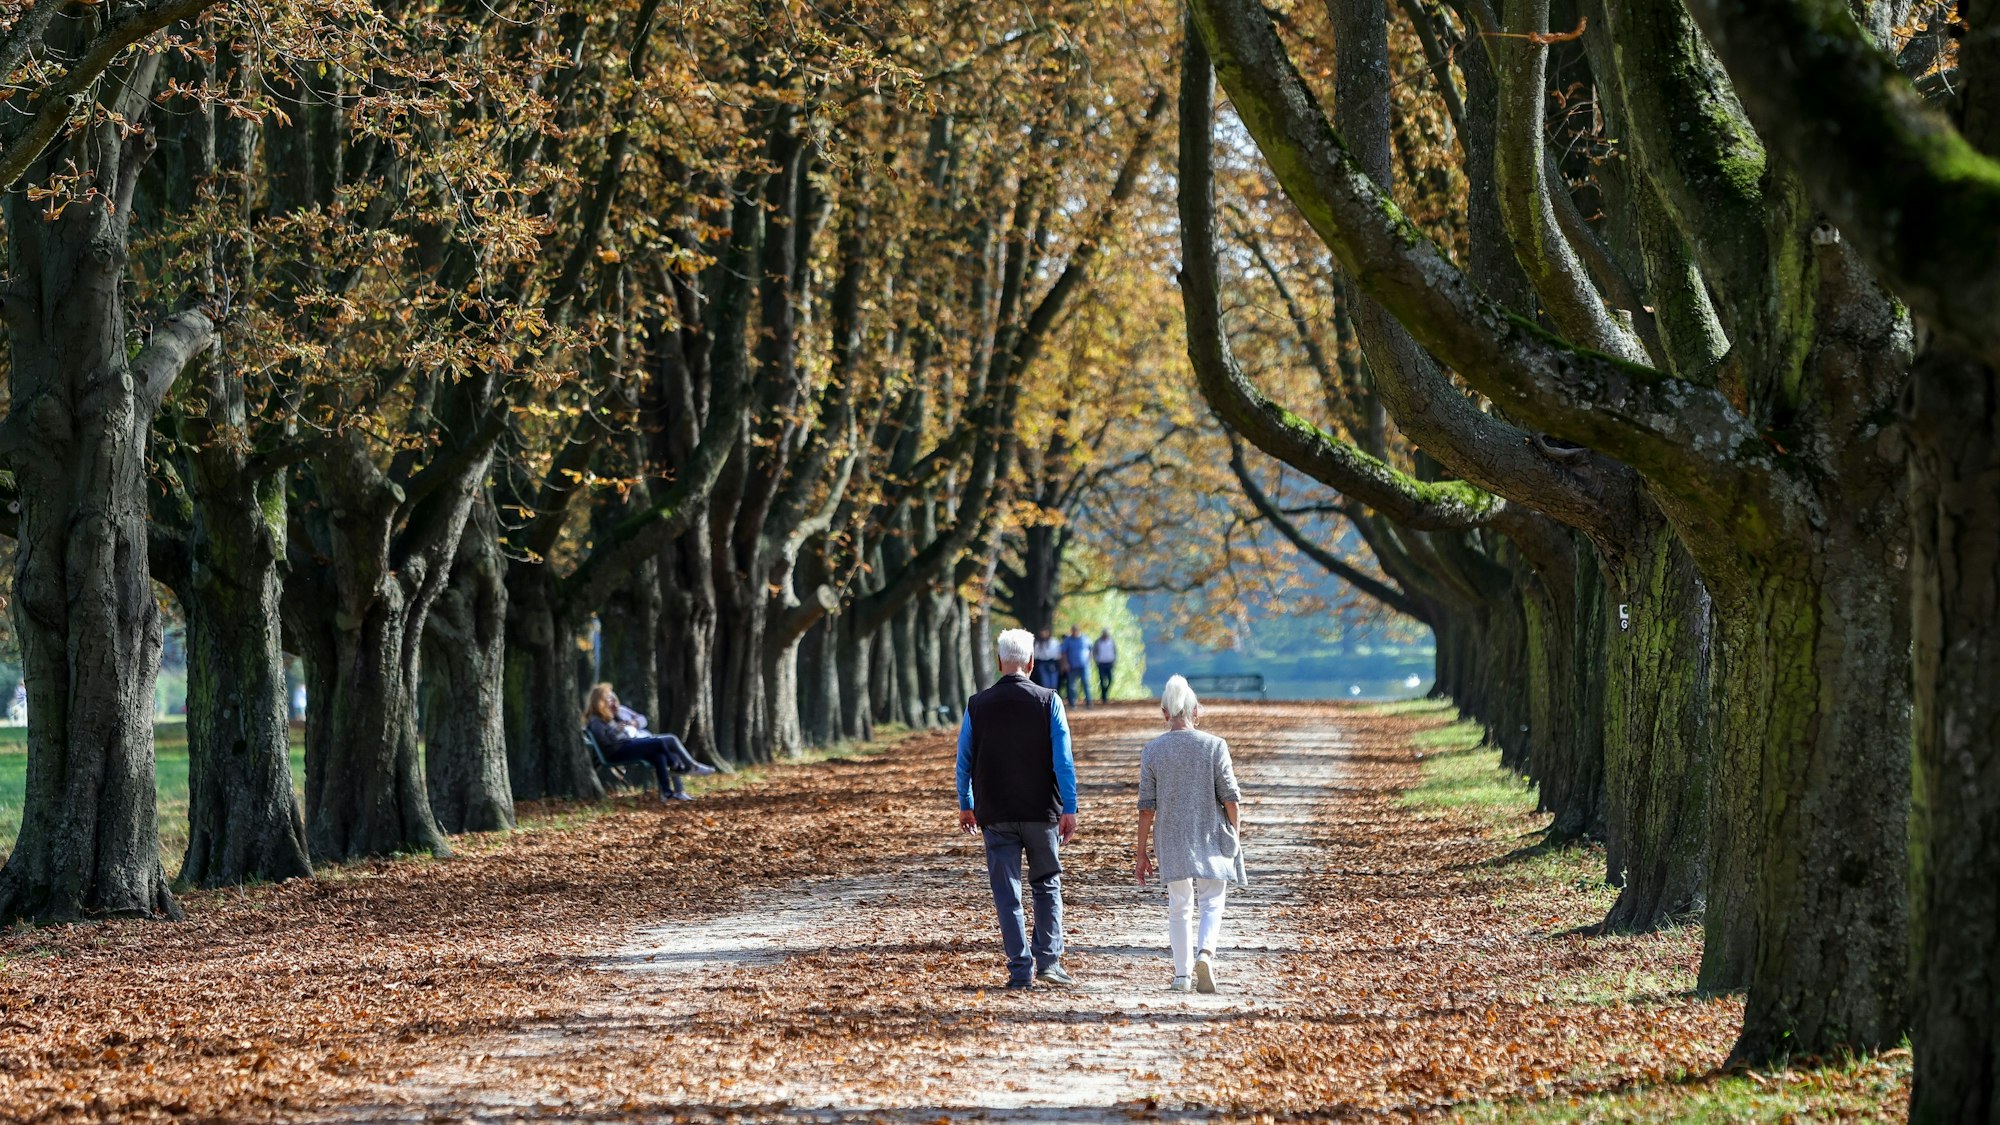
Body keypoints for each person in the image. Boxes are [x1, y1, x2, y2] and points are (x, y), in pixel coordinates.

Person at [956, 627, 1079, 990]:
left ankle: (1019, 969)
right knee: (1046, 884)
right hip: (1041, 810)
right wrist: (1069, 807)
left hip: (995, 812)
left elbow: (964, 759)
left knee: (1007, 891)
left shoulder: (977, 705)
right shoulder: (1049, 701)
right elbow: (1064, 762)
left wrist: (967, 804)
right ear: (1030, 661)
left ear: (999, 662)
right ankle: (1049, 962)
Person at [1135, 674, 1245, 994]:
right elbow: (1231, 799)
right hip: (1211, 834)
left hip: (1171, 837)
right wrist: (1234, 835)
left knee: (1179, 905)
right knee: (1212, 901)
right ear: (1195, 712)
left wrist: (1141, 852)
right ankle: (1206, 954)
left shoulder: (1153, 750)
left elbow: (1146, 807)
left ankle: (1182, 975)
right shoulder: (1214, 746)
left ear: (1164, 713)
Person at [582, 683, 714, 801]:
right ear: (599, 701)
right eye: (608, 698)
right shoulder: (596, 720)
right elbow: (605, 742)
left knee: (659, 755)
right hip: (617, 751)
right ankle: (680, 766)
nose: (612, 701)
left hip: (625, 746)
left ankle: (667, 792)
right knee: (659, 742)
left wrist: (623, 727)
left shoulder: (609, 716)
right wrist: (617, 730)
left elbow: (640, 720)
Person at [1059, 625, 1092, 707]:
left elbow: (1091, 650)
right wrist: (1065, 664)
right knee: (1072, 685)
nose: (1074, 633)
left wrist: (1089, 660)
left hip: (1084, 666)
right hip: (1072, 666)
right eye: (1073, 631)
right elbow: (1063, 652)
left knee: (1086, 683)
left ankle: (1089, 702)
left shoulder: (1085, 639)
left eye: (1076, 631)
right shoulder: (1068, 640)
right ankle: (1072, 703)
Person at [1093, 629, 1117, 700]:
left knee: (1110, 680)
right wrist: (1096, 661)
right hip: (1101, 663)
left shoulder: (1111, 642)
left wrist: (1114, 661)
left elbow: (1115, 652)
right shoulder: (1098, 642)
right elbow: (1094, 652)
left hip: (1109, 663)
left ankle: (1105, 692)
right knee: (1102, 680)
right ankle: (1104, 696)